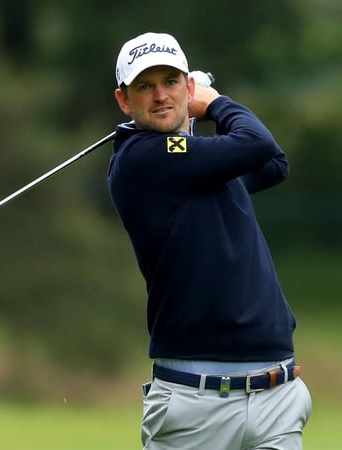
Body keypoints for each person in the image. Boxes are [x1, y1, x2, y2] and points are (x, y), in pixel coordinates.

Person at [108, 32, 312, 449]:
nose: (161, 95)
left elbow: (273, 163)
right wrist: (215, 103)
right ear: (125, 101)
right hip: (194, 404)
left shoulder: (195, 162)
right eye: (145, 86)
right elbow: (256, 142)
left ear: (187, 85)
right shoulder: (139, 158)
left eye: (171, 82)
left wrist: (201, 113)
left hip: (276, 394)